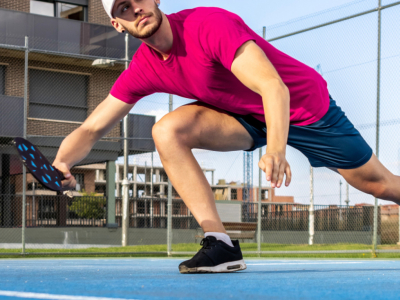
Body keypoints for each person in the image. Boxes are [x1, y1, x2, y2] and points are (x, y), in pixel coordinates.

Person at [53, 0, 400, 274]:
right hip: (246, 116)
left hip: (303, 107)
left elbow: (272, 87)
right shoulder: (145, 66)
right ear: (118, 24)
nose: (136, 9)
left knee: (380, 186)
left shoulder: (209, 25)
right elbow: (92, 127)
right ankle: (219, 244)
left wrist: (276, 149)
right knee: (167, 130)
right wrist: (63, 162)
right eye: (123, 9)